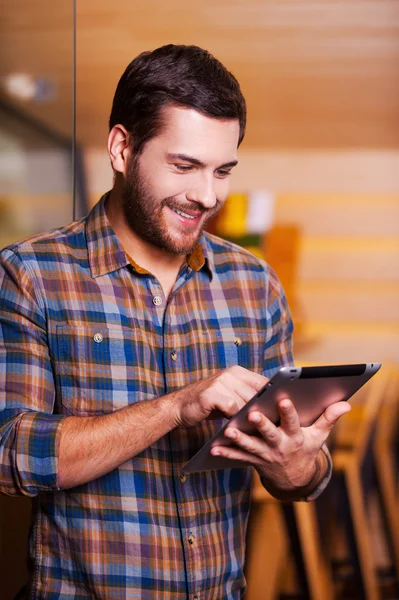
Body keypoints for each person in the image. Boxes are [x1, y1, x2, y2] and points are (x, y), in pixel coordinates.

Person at [0, 44, 350, 599]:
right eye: (184, 166)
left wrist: (296, 464)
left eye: (223, 170)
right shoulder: (32, 274)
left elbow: (303, 482)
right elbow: (11, 456)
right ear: (122, 148)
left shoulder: (255, 285)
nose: (207, 196)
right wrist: (176, 406)